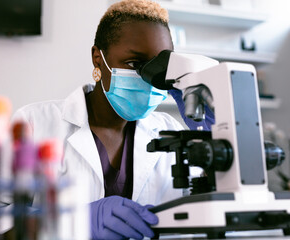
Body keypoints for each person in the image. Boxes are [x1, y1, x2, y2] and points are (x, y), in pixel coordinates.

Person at [11, 0, 213, 239]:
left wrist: (217, 145)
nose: (148, 78)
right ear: (98, 58)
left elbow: (202, 218)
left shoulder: (170, 131)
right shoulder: (33, 124)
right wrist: (70, 221)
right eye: (134, 64)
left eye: (157, 67)